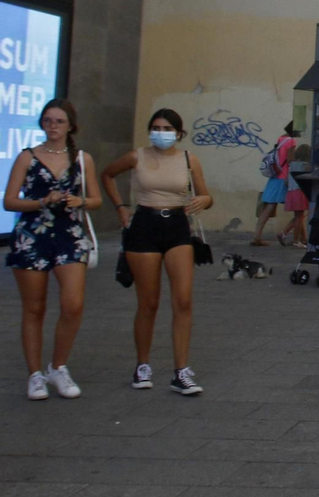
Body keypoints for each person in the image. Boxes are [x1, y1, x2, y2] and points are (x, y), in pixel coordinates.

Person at [100, 109, 213, 395]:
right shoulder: (136, 156)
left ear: (178, 132)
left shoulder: (189, 159)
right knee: (148, 302)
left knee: (183, 300)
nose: (161, 132)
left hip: (176, 226)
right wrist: (120, 207)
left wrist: (202, 200)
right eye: (156, 127)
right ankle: (142, 364)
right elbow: (108, 175)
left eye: (167, 128)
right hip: (144, 225)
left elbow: (206, 195)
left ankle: (181, 370)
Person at [7, 99, 100, 400]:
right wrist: (41, 202)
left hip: (69, 234)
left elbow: (95, 199)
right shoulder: (27, 157)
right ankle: (35, 374)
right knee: (34, 307)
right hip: (32, 234)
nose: (53, 126)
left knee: (73, 303)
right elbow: (9, 201)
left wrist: (80, 201)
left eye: (59, 121)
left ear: (70, 125)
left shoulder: (82, 159)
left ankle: (57, 366)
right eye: (47, 120)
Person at [250, 122, 297, 246]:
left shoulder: (281, 139)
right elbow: (290, 160)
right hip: (284, 177)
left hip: (275, 176)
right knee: (299, 209)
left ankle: (257, 236)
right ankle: (296, 238)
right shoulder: (291, 142)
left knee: (268, 207)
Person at [278, 141, 311, 248]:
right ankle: (295, 240)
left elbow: (286, 181)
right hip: (301, 191)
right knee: (300, 217)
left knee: (298, 216)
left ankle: (300, 237)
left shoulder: (291, 165)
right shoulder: (306, 165)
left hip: (291, 192)